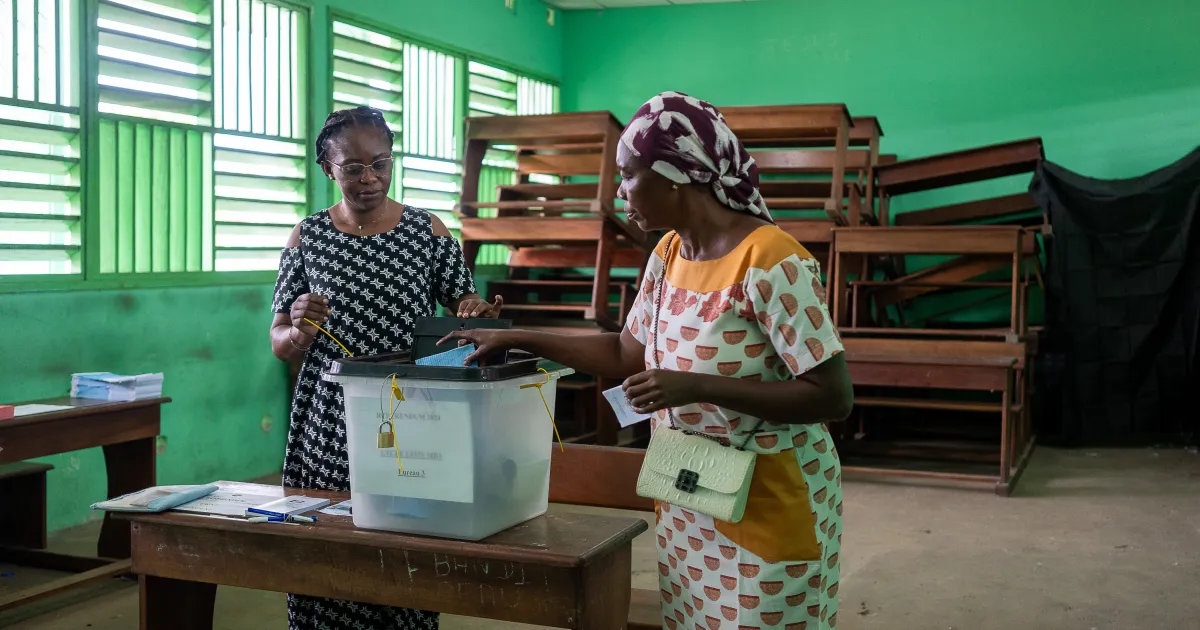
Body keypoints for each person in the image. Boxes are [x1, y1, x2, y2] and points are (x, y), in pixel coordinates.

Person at [443, 92, 854, 630]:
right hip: (691, 491)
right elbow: (624, 351)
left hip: (768, 493)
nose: (619, 192)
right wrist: (520, 338)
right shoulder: (668, 254)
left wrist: (696, 386)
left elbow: (833, 396)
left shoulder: (773, 261)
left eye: (629, 175)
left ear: (677, 176)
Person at [269, 105, 500, 630]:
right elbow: (280, 341)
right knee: (327, 543)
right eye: (353, 167)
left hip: (411, 413)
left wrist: (473, 310)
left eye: (381, 163)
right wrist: (299, 329)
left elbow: (463, 301)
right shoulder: (307, 237)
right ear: (328, 168)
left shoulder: (427, 230)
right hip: (330, 418)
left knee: (407, 541)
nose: (369, 178)